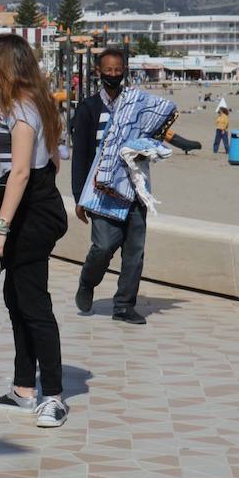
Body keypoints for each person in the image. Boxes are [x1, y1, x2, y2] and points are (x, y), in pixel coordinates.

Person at [0, 33, 70, 428]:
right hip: (40, 203)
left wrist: (1, 228)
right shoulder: (42, 105)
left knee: (33, 303)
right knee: (16, 298)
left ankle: (53, 395)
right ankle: (22, 389)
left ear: (5, 69)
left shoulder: (22, 111)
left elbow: (20, 172)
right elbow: (55, 162)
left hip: (29, 213)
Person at [71, 48, 162, 326]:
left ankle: (124, 305)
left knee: (134, 251)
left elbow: (151, 139)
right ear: (99, 72)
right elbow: (81, 155)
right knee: (104, 245)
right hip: (101, 191)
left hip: (134, 188)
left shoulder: (137, 106)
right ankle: (88, 281)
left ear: (125, 70)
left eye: (117, 69)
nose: (113, 75)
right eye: (108, 70)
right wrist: (79, 196)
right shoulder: (88, 108)